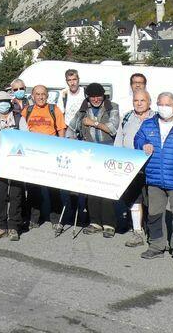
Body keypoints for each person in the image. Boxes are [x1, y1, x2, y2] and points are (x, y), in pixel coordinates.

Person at [134, 91, 173, 264]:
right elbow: (137, 139)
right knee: (154, 214)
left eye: (168, 105)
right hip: (154, 178)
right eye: (161, 104)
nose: (164, 108)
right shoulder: (148, 124)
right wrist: (143, 144)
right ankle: (156, 246)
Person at [68, 83, 120, 237]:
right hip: (89, 153)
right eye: (92, 97)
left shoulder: (112, 107)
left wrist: (93, 123)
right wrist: (71, 141)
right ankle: (95, 222)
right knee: (92, 188)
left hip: (108, 152)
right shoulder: (83, 110)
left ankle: (109, 223)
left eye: (99, 96)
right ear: (88, 97)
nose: (96, 99)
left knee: (106, 189)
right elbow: (71, 128)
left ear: (103, 96)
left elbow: (112, 128)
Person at [22, 85, 67, 229]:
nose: (40, 97)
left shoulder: (54, 110)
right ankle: (34, 218)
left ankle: (56, 220)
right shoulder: (27, 111)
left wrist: (61, 150)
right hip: (32, 155)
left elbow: (61, 130)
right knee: (33, 189)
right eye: (37, 94)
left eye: (43, 94)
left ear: (47, 96)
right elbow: (20, 130)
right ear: (32, 96)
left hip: (51, 154)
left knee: (53, 189)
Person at [0, 91, 28, 241]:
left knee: (16, 193)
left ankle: (14, 226)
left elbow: (26, 138)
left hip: (16, 159)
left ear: (10, 103)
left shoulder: (19, 118)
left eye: (5, 101)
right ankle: (1, 225)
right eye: (0, 102)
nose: (3, 104)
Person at [114, 89, 154, 247]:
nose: (139, 103)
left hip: (151, 166)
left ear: (149, 102)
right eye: (136, 100)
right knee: (134, 199)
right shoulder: (127, 117)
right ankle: (137, 232)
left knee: (151, 200)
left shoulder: (156, 118)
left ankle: (153, 232)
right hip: (130, 166)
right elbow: (119, 140)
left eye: (142, 100)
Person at [58, 69, 83, 134]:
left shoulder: (85, 92)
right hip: (68, 129)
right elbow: (60, 114)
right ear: (66, 81)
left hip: (83, 129)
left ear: (78, 80)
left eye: (74, 79)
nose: (72, 83)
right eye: (69, 80)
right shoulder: (63, 93)